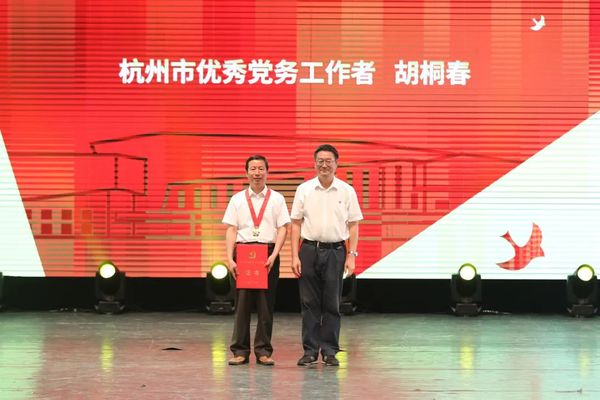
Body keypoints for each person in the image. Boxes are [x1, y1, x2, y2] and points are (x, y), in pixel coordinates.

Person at [290, 144, 363, 367]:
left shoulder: (346, 190)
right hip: (309, 250)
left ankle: (330, 351)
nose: (324, 165)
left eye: (329, 161)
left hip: (336, 251)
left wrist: (352, 255)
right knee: (309, 303)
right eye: (320, 161)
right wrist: (294, 256)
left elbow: (353, 225)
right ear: (314, 164)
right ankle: (310, 351)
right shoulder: (304, 189)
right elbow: (295, 224)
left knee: (332, 303)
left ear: (336, 164)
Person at [222, 155, 290, 366]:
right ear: (246, 173)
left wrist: (274, 255)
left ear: (267, 172)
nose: (257, 173)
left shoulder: (277, 199)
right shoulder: (237, 199)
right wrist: (229, 258)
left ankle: (263, 351)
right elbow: (231, 229)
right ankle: (239, 351)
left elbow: (283, 228)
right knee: (241, 306)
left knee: (265, 306)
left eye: (261, 169)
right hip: (243, 253)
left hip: (267, 254)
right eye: (253, 169)